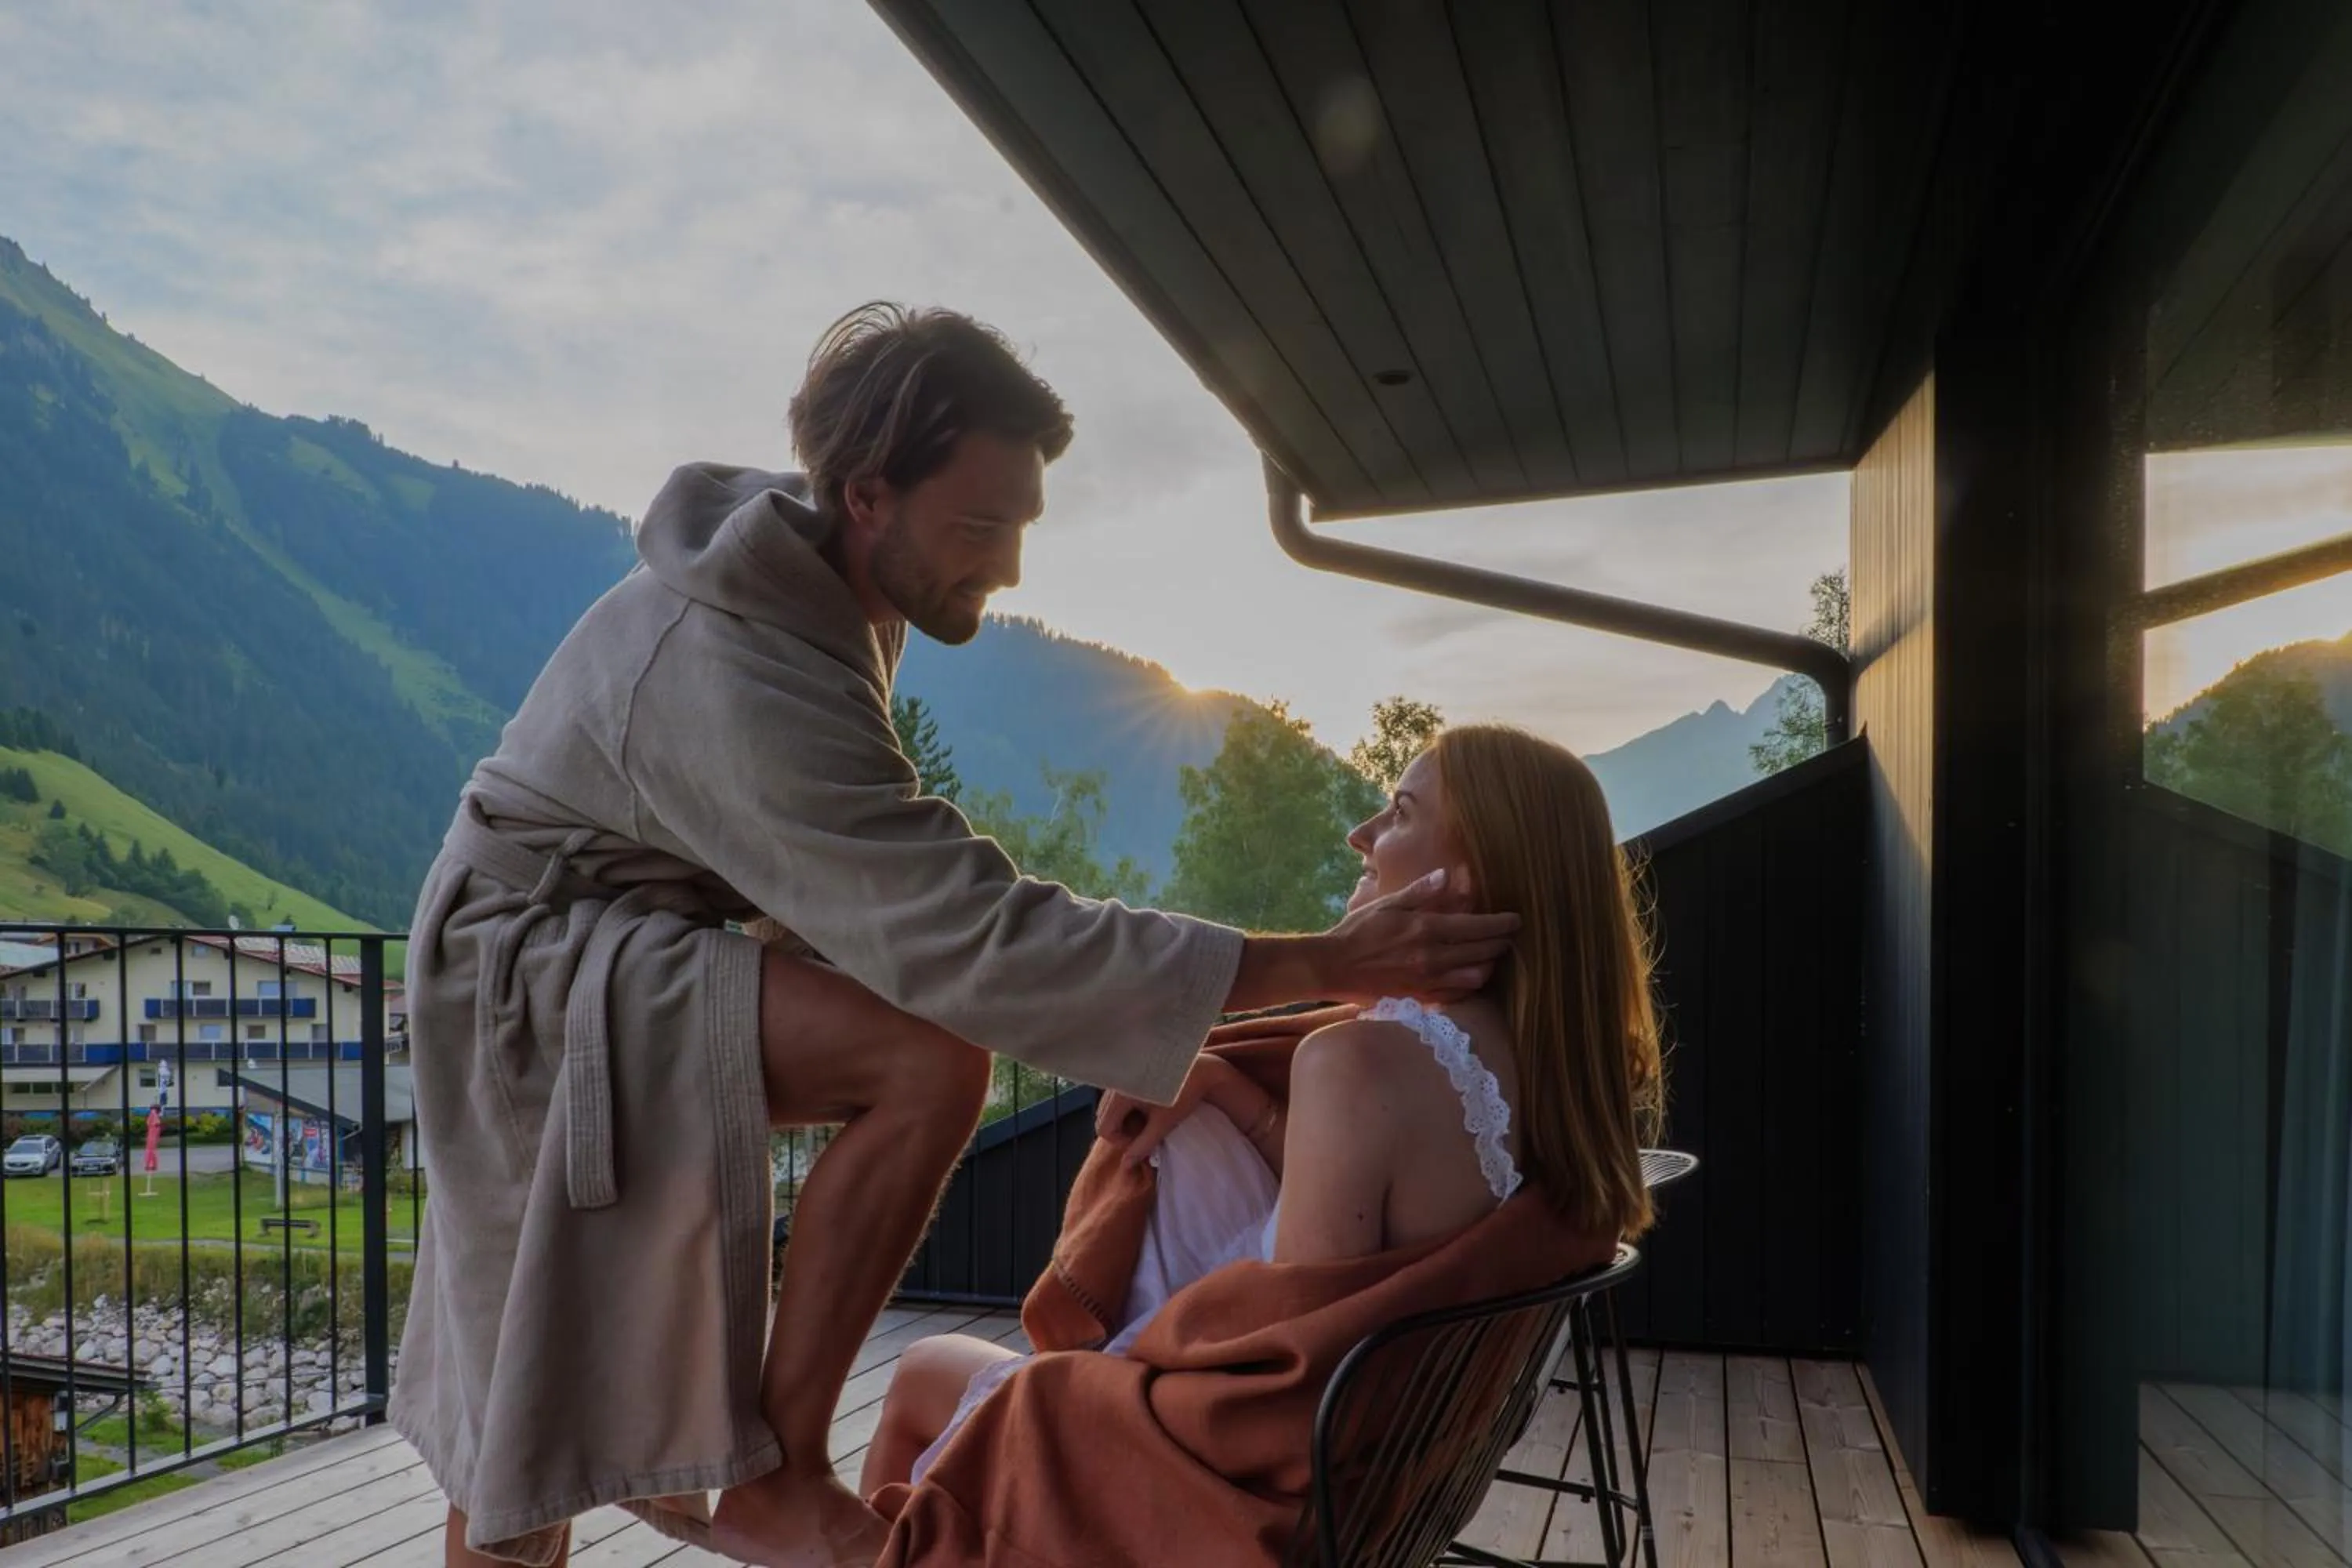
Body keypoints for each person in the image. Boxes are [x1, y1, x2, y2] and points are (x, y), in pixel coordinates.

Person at [389, 303, 1520, 1568]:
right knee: (530, 1399)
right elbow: (975, 936)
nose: (1012, 569)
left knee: (540, 1374)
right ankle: (778, 1469)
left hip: (635, 948)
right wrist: (1332, 963)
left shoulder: (824, 596)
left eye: (1022, 527)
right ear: (868, 496)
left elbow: (888, 890)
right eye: (983, 529)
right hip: (529, 975)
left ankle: (753, 1453)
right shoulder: (742, 660)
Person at [859, 727, 1665, 1567]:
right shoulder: (1547, 1071)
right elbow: (1366, 1229)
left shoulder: (1358, 1061)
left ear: (1462, 879)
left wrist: (1120, 1373)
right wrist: (1224, 1086)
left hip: (1261, 1494)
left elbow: (1284, 1371)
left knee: (922, 1369)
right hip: (1391, 1478)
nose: (1361, 834)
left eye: (1397, 811)